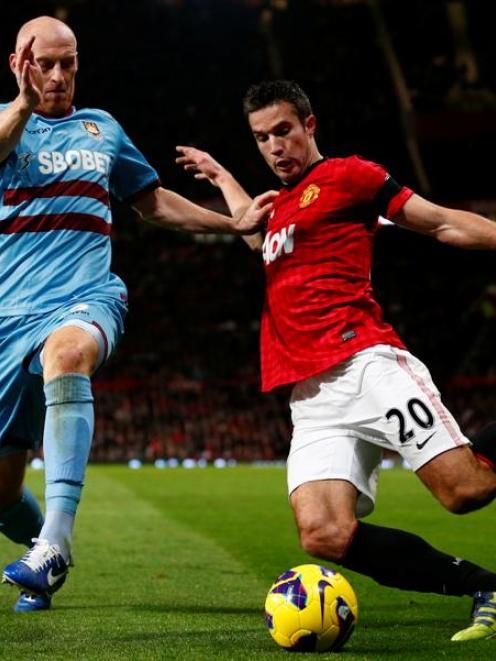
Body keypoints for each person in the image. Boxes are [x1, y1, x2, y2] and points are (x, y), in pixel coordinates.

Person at [176, 79, 496, 643]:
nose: (275, 146)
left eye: (283, 131)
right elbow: (257, 239)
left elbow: (442, 222)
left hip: (366, 364)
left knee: (465, 492)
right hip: (311, 394)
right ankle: (485, 585)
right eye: (261, 138)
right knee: (323, 532)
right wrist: (223, 177)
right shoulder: (275, 211)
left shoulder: (350, 176)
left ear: (309, 126)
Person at [0, 16, 272, 614]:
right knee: (1, 495)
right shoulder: (5, 124)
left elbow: (152, 203)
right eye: (44, 64)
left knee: (68, 353)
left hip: (85, 296)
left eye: (68, 63)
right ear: (19, 65)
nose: (58, 75)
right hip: (6, 318)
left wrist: (231, 225)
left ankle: (55, 542)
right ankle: (45, 549)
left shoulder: (102, 129)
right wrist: (20, 106)